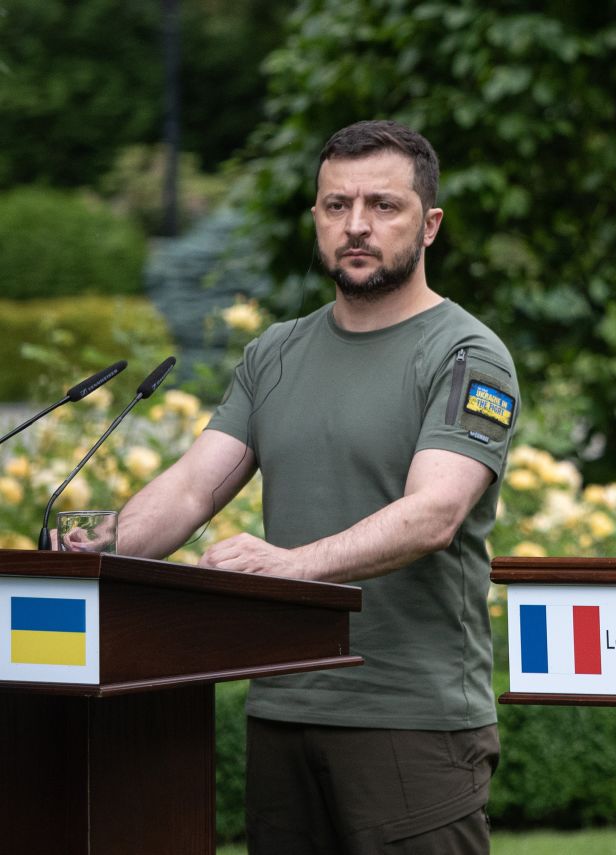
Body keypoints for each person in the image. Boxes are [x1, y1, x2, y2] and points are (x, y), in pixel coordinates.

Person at [118, 120, 519, 854]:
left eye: (382, 206)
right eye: (336, 206)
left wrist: (289, 566)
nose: (356, 225)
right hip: (282, 702)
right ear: (316, 217)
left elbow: (434, 512)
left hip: (412, 720)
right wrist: (96, 550)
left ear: (429, 225)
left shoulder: (466, 354)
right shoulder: (275, 352)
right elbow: (189, 491)